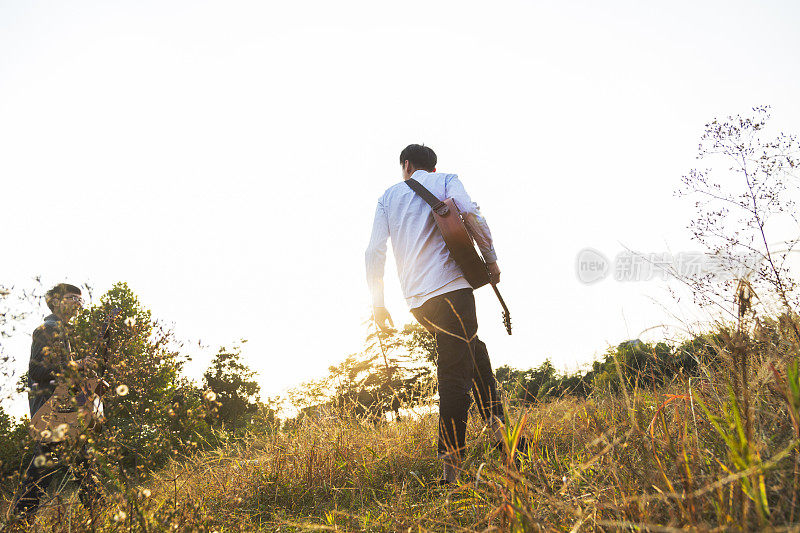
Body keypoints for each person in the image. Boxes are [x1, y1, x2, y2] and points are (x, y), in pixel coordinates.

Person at [365, 144, 514, 484]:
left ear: (406, 166)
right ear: (431, 168)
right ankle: (452, 467)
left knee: (471, 348)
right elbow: (471, 214)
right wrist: (490, 260)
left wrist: (378, 302)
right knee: (453, 370)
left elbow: (374, 250)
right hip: (453, 289)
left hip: (418, 301)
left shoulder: (387, 198)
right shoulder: (446, 180)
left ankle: (497, 427)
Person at [13, 283, 102, 518]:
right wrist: (77, 364)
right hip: (50, 408)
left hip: (62, 407)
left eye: (80, 300)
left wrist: (88, 380)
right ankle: (21, 517)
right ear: (55, 301)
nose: (78, 304)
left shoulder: (61, 331)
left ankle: (96, 509)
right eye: (72, 298)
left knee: (81, 457)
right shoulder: (47, 328)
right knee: (47, 463)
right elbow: (38, 371)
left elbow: (62, 375)